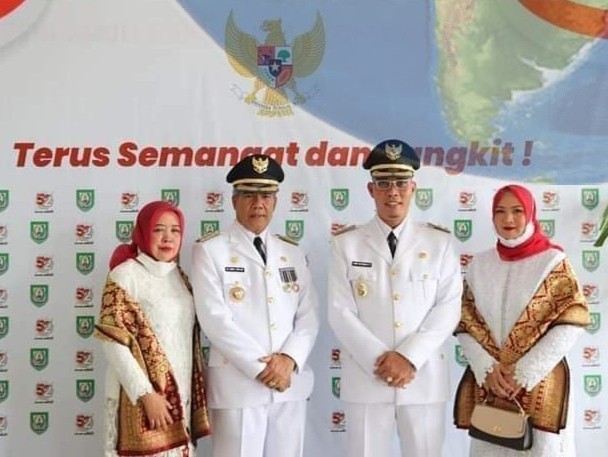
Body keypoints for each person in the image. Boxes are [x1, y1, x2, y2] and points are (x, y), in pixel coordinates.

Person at [328, 139, 462, 457]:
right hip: (367, 377)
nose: (393, 192)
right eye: (383, 183)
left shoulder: (439, 242)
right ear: (370, 189)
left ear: (413, 188)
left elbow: (448, 307)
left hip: (423, 376)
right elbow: (339, 311)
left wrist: (408, 357)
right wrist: (382, 362)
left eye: (401, 183)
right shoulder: (346, 244)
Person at [191, 154, 319, 457]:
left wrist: (288, 360)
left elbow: (308, 315)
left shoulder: (291, 251)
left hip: (288, 385)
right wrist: (262, 368)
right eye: (249, 194)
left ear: (275, 201)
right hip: (239, 386)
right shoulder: (210, 250)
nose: (258, 203)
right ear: (234, 200)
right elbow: (214, 320)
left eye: (266, 195)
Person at [453, 184, 590, 456]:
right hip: (491, 385)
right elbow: (465, 323)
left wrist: (524, 373)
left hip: (540, 384)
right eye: (500, 211)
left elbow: (570, 323)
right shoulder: (479, 265)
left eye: (517, 211)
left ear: (530, 214)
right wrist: (486, 369)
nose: (508, 219)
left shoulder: (553, 262)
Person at [95, 201, 210, 457]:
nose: (168, 237)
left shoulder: (180, 277)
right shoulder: (125, 275)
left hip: (179, 396)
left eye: (175, 230)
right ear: (144, 232)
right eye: (159, 229)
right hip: (141, 397)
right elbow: (112, 342)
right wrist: (146, 395)